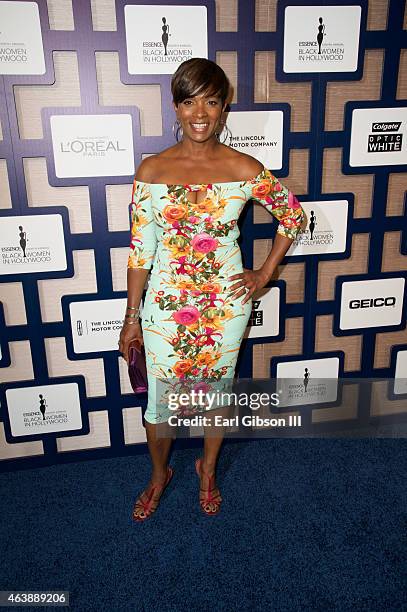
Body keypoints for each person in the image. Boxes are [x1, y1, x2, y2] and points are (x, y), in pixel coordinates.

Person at [118, 57, 305, 521]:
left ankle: (206, 471)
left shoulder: (244, 166)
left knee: (216, 398)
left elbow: (293, 216)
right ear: (175, 107)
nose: (200, 111)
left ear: (224, 109)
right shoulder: (151, 170)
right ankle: (160, 475)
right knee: (159, 405)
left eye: (212, 100)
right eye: (189, 100)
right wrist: (131, 317)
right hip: (164, 307)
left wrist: (265, 274)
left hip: (225, 308)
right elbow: (141, 251)